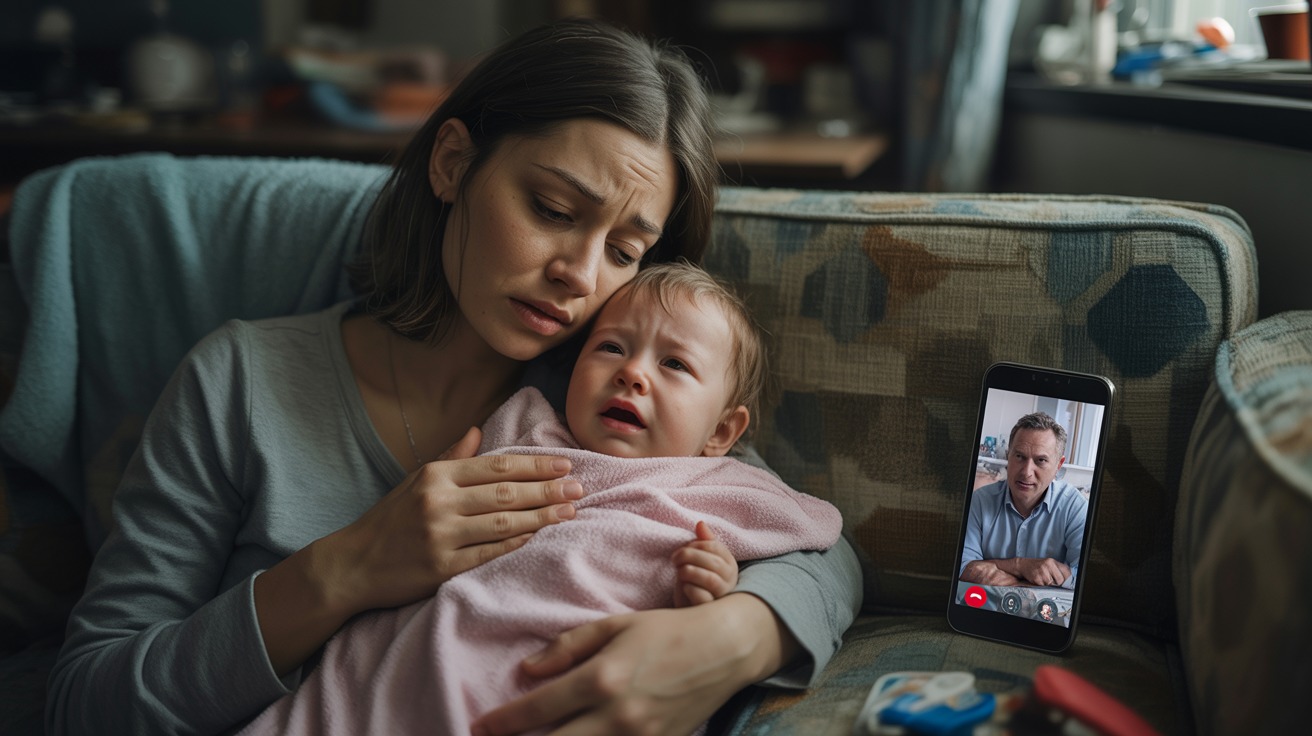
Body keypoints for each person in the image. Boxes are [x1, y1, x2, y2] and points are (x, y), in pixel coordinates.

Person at [45, 18, 862, 736]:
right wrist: (346, 569)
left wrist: (728, 642)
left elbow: (820, 552)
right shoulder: (241, 382)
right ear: (452, 162)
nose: (581, 275)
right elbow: (86, 701)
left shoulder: (603, 397)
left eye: (623, 250)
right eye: (550, 209)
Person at [238, 262, 844, 736]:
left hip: (574, 688)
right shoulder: (525, 425)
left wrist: (717, 594)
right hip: (431, 663)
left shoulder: (724, 490)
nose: (634, 373)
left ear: (721, 434)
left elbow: (824, 536)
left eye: (675, 364)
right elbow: (431, 532)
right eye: (611, 347)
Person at [958, 412, 1087, 590]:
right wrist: (1020, 566)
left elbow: (1085, 577)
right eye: (1019, 457)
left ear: (1058, 465)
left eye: (1040, 460)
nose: (1027, 472)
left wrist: (997, 568)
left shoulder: (1075, 507)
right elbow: (963, 567)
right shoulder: (979, 502)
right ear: (1008, 455)